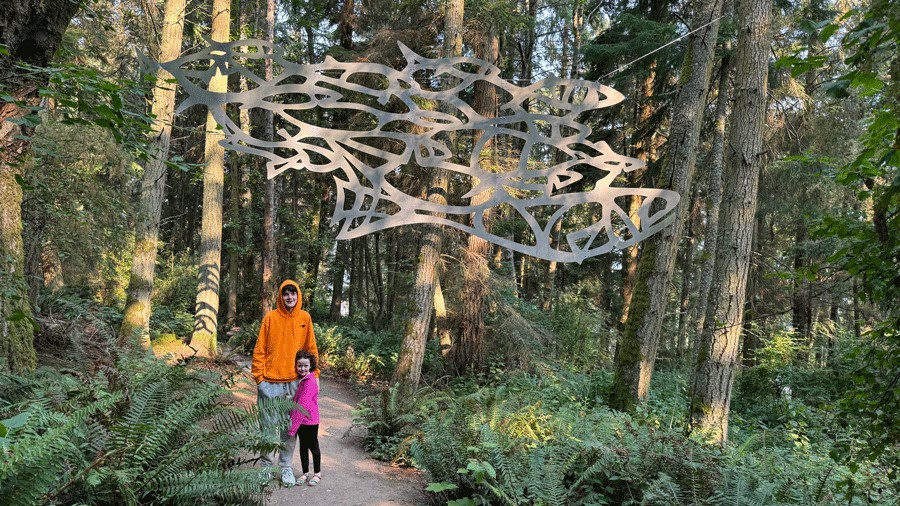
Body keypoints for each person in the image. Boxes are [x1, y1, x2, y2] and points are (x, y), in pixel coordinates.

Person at [252, 280, 318, 486]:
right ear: (280, 296)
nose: (290, 297)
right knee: (268, 426)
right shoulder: (270, 318)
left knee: (290, 427)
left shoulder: (304, 318)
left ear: (298, 296)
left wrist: (314, 376)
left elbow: (311, 348)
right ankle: (265, 467)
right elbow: (259, 349)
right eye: (286, 294)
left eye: (293, 294)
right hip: (270, 382)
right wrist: (259, 378)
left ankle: (286, 467)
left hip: (294, 383)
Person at [288, 350, 322, 486]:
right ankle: (305, 473)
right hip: (301, 421)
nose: (302, 368)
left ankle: (317, 474)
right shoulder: (300, 379)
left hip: (310, 421)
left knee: (313, 447)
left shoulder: (311, 382)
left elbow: (302, 405)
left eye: (305, 366)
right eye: (300, 365)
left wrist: (292, 428)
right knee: (303, 447)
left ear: (310, 366)